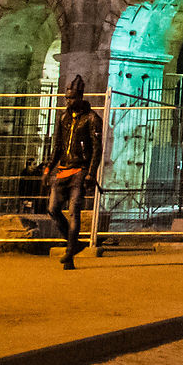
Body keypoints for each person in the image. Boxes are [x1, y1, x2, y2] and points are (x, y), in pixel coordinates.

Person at [44, 77, 103, 270]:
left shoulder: (92, 118)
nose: (68, 101)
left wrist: (91, 173)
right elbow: (57, 146)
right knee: (53, 209)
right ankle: (74, 245)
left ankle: (70, 254)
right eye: (66, 97)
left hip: (79, 170)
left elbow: (97, 149)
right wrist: (48, 168)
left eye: (71, 98)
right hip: (63, 170)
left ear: (80, 97)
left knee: (73, 211)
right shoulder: (63, 118)